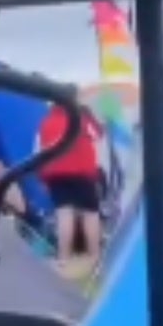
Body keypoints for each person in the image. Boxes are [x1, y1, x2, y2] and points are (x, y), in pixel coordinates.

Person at [36, 102, 106, 276]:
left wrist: (43, 179)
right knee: (90, 213)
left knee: (64, 213)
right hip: (82, 172)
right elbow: (98, 136)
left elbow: (38, 151)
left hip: (55, 174)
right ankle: (95, 257)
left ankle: (63, 260)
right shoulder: (82, 117)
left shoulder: (46, 122)